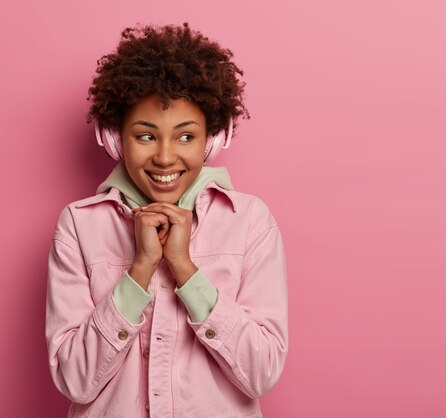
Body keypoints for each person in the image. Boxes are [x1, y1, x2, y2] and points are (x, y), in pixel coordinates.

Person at [45, 22, 288, 418]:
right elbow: (75, 380)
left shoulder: (250, 222)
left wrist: (185, 270)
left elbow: (261, 374)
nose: (164, 156)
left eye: (186, 136)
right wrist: (139, 270)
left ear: (212, 139)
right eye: (145, 136)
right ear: (113, 137)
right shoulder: (78, 226)